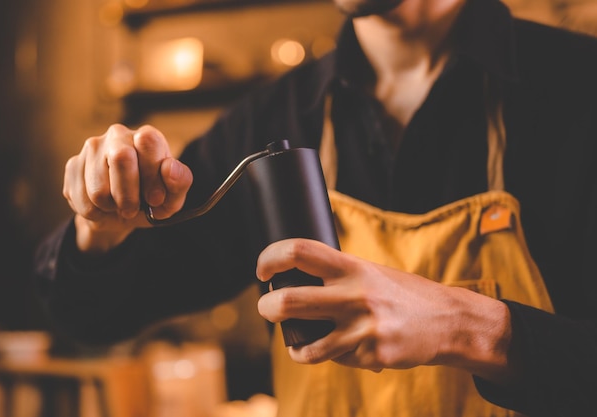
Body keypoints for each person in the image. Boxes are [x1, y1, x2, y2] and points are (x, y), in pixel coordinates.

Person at [34, 0, 597, 415]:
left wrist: (472, 328)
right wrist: (100, 228)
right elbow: (93, 316)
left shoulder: (579, 85)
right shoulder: (272, 117)